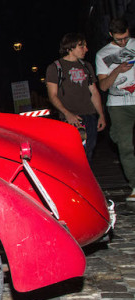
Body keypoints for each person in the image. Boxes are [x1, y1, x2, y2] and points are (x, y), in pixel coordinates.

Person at [46, 33, 105, 162]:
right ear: (70, 48)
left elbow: (94, 92)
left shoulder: (86, 66)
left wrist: (101, 114)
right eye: (81, 46)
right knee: (75, 154)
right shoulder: (55, 68)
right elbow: (52, 95)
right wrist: (67, 114)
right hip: (71, 118)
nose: (86, 49)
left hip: (89, 116)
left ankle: (85, 180)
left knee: (89, 150)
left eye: (85, 46)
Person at [96, 17, 135, 201]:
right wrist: (117, 70)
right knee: (125, 146)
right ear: (110, 35)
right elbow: (103, 86)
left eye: (126, 38)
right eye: (119, 39)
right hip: (118, 106)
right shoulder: (102, 54)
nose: (123, 42)